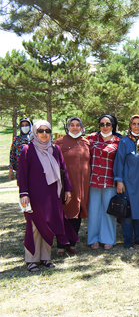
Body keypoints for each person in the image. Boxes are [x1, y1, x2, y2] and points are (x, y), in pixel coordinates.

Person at [18, 120, 78, 272]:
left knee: (49, 225)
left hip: (53, 195)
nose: (44, 134)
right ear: (35, 133)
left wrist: (68, 190)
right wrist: (23, 194)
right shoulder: (27, 150)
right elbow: (22, 175)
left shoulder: (55, 149)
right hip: (35, 196)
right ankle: (31, 260)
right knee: (35, 226)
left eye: (47, 131)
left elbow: (63, 170)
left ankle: (45, 258)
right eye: (40, 131)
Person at [114, 115, 139, 249]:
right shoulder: (124, 142)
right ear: (130, 125)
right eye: (134, 124)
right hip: (129, 182)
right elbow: (119, 162)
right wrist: (119, 180)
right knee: (128, 211)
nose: (136, 127)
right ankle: (127, 240)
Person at [54, 117, 90, 255]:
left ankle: (72, 243)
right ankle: (61, 246)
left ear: (81, 127)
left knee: (77, 213)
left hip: (83, 186)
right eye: (72, 125)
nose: (75, 128)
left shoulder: (85, 142)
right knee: (65, 214)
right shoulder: (59, 142)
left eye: (77, 125)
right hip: (66, 185)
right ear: (67, 127)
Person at [86, 114, 121, 250]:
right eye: (102, 124)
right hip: (93, 180)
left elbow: (120, 162)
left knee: (109, 211)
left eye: (108, 124)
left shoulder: (118, 141)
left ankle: (108, 239)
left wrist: (120, 181)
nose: (105, 127)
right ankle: (93, 238)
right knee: (93, 211)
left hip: (110, 181)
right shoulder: (91, 138)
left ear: (113, 125)